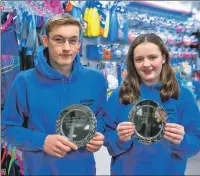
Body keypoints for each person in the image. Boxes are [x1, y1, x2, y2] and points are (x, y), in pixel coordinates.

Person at [1, 13, 107, 175]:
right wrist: (42, 141)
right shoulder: (25, 81)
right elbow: (7, 128)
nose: (66, 48)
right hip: (39, 170)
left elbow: (102, 120)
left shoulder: (96, 79)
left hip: (83, 170)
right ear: (45, 41)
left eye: (72, 41)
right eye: (58, 39)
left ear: (79, 44)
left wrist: (98, 135)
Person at [103, 33, 200, 175]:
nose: (146, 64)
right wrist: (120, 139)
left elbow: (195, 141)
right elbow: (107, 137)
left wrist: (182, 140)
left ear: (164, 58)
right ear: (133, 62)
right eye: (139, 59)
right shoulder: (119, 95)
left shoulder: (182, 95)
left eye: (152, 57)